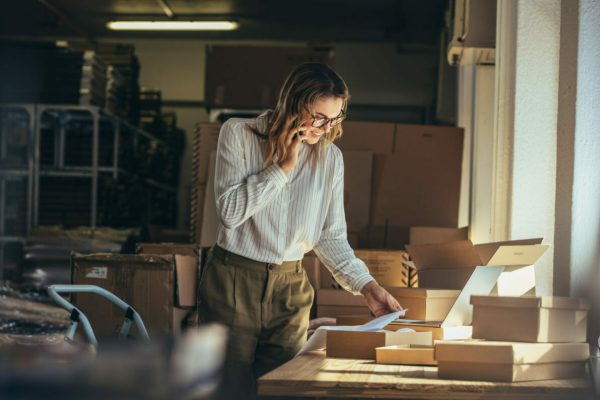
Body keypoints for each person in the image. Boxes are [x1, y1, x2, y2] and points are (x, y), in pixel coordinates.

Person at [198, 62, 403, 399]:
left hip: (291, 288)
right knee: (226, 389)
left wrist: (368, 287)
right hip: (233, 281)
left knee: (282, 387)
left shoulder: (331, 159)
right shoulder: (238, 133)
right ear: (294, 104)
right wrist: (282, 168)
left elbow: (330, 236)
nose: (325, 127)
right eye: (319, 117)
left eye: (335, 118)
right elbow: (230, 213)